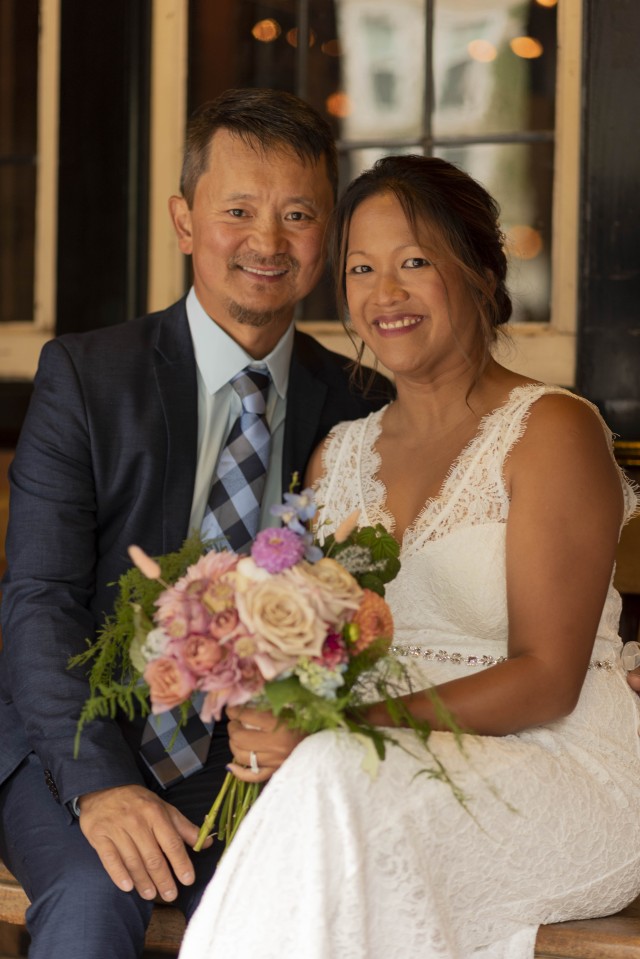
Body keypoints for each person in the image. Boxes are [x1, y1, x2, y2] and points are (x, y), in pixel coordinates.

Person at [178, 155, 640, 959]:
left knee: (328, 791)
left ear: (480, 272)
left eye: (414, 262)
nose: (384, 293)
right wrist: (274, 711)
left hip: (556, 770)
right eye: (361, 268)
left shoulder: (552, 431)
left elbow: (548, 678)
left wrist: (344, 730)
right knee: (323, 803)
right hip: (375, 773)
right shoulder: (337, 457)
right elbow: (320, 655)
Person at [0, 88, 392, 959]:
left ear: (325, 237)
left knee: (290, 916)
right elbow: (39, 600)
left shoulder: (361, 407)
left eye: (298, 215)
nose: (268, 241)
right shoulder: (87, 376)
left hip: (255, 765)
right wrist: (102, 785)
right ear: (185, 220)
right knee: (98, 894)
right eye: (239, 210)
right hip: (70, 741)